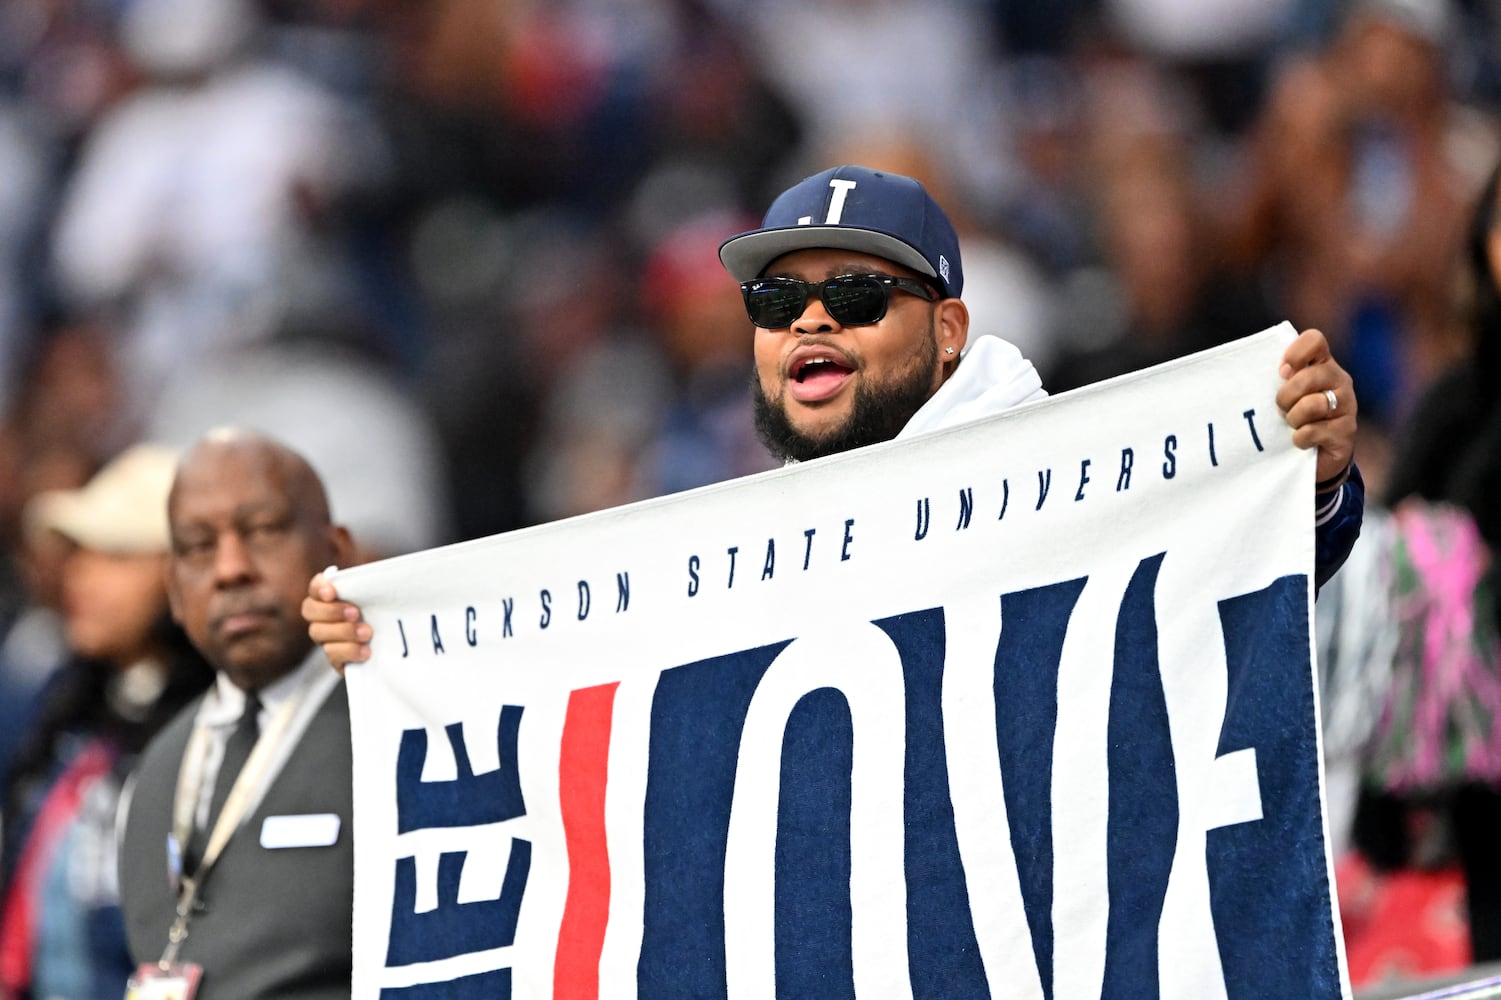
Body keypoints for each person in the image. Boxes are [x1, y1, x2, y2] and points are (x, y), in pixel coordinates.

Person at [304, 163, 1364, 669]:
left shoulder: (1066, 472)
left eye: (854, 296)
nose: (808, 319)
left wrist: (1310, 483)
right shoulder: (741, 533)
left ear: (948, 330)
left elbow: (1225, 589)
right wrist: (408, 648)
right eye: (775, 301)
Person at [116, 429, 357, 999]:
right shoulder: (153, 767)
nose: (231, 569)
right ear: (174, 590)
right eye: (199, 546)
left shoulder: (399, 731)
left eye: (264, 530)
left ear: (336, 552)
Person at [0, 443, 213, 1000]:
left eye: (116, 555)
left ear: (183, 575)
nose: (81, 575)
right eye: (79, 554)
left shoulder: (220, 727)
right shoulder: (66, 711)